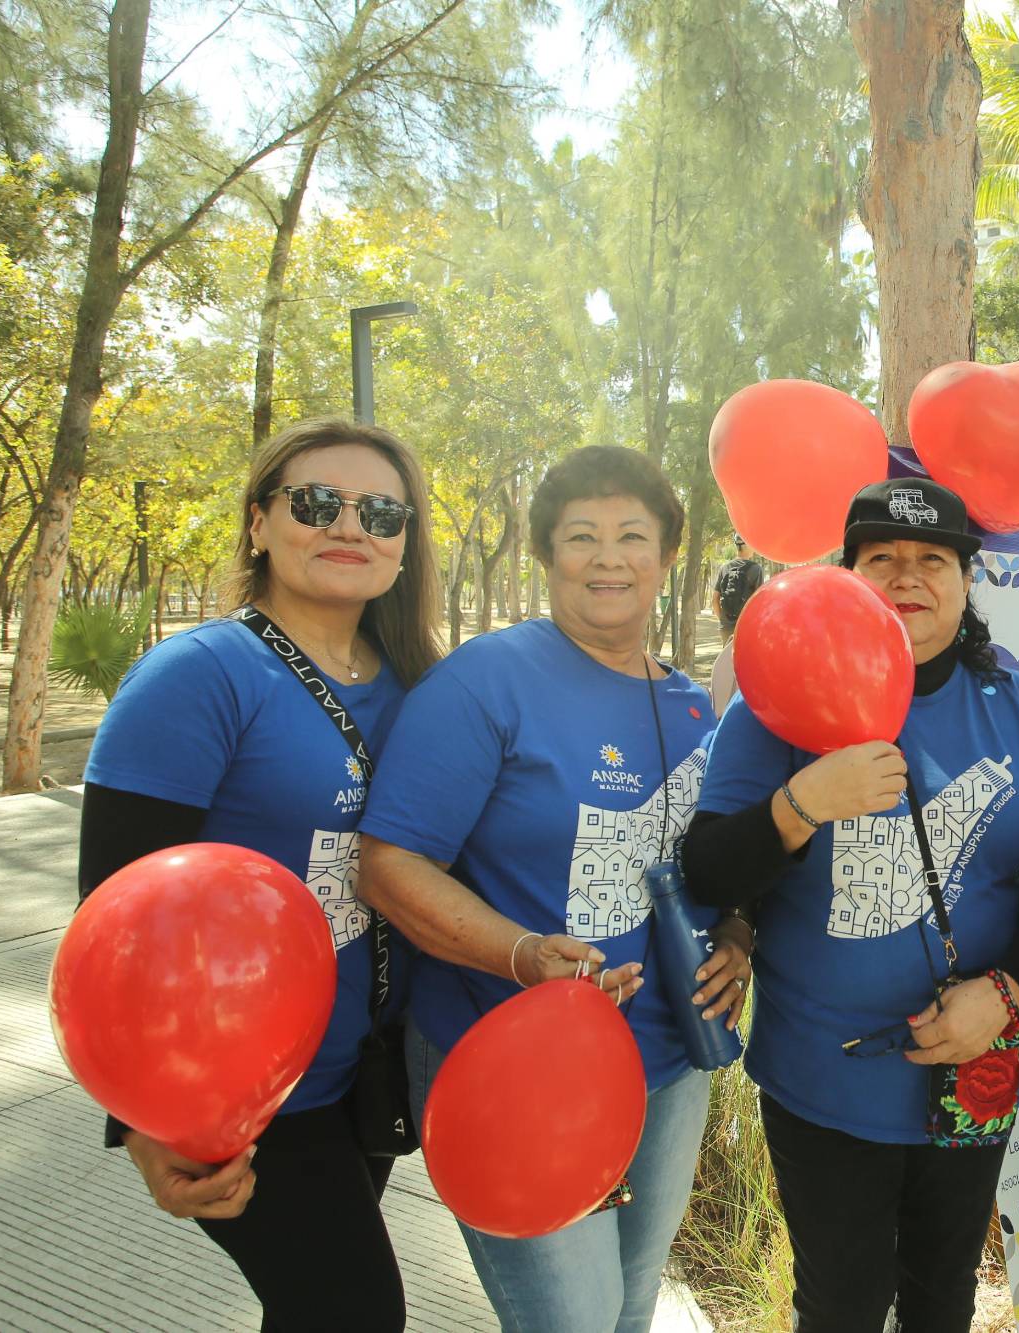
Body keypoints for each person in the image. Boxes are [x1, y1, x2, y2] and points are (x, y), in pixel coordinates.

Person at [357, 446, 752, 1333]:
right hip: (512, 1065)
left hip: (666, 1060)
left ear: (666, 558)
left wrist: (737, 932)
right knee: (570, 1320)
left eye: (631, 536)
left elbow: (713, 861)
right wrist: (523, 953)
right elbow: (388, 866)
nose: (608, 557)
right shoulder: (487, 681)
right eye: (582, 535)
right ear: (546, 554)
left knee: (631, 1300)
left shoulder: (694, 708)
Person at [682, 477, 1019, 1333]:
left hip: (974, 1069)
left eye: (931, 559)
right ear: (846, 574)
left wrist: (1010, 995)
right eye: (881, 559)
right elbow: (708, 873)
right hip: (822, 1079)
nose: (907, 576)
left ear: (967, 579)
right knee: (841, 1306)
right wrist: (802, 802)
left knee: (942, 1301)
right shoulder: (777, 706)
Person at [78, 416, 443, 1330]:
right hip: (241, 1092)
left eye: (382, 513)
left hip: (363, 1071)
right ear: (258, 523)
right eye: (317, 502)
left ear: (405, 545)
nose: (350, 527)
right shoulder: (196, 677)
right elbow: (109, 916)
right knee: (358, 1312)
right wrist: (143, 1121)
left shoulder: (420, 684)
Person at [709, 534, 765, 717]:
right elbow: (759, 601)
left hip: (725, 626)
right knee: (746, 670)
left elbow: (715, 599)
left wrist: (723, 620)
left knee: (726, 666)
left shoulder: (725, 567)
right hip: (746, 627)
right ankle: (743, 710)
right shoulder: (756, 569)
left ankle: (723, 709)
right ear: (747, 546)